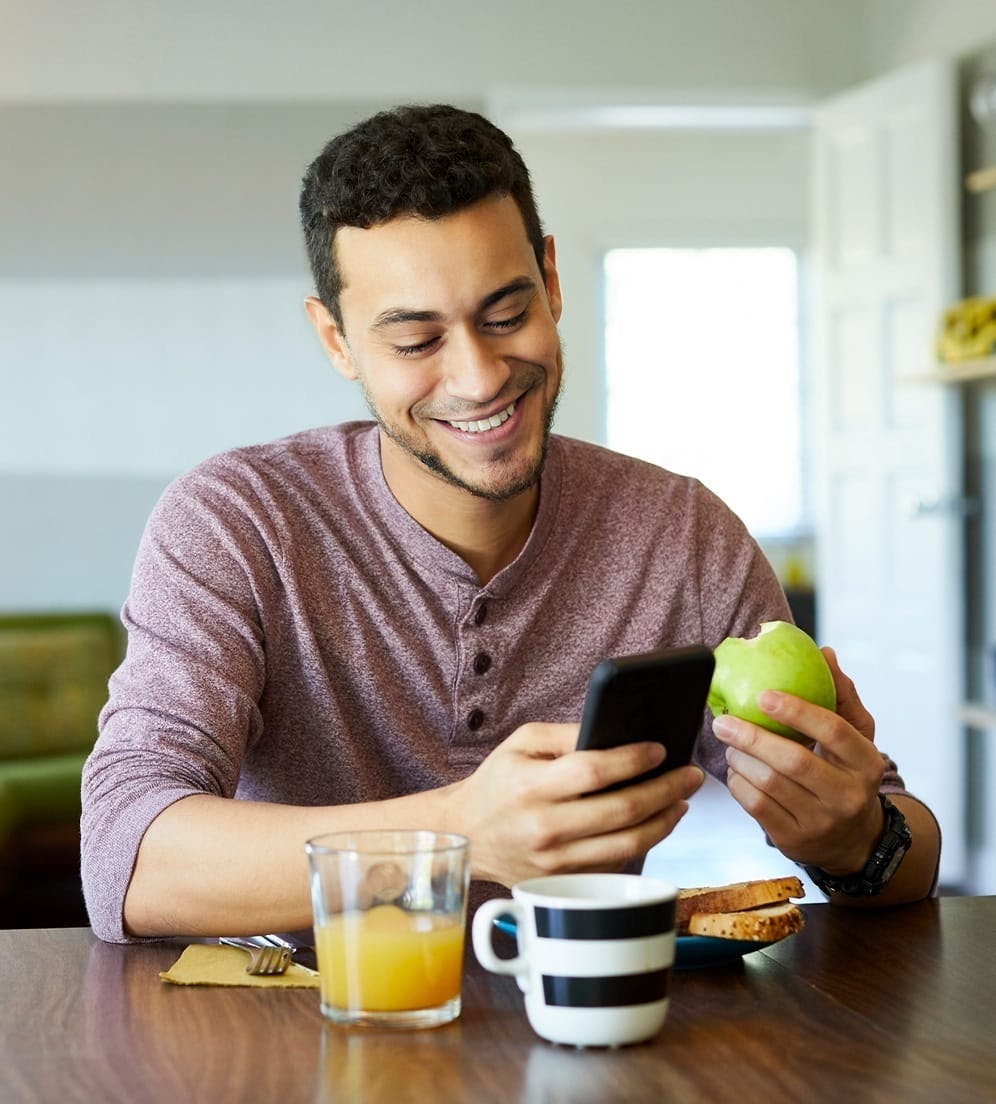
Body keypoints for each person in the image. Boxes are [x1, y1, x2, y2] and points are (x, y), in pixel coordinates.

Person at [81, 104, 940, 943]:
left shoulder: (683, 535)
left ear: (552, 281)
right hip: (298, 1045)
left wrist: (853, 837)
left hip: (587, 1042)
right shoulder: (236, 522)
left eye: (506, 315)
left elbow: (905, 846)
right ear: (337, 341)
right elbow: (126, 857)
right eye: (416, 341)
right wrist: (455, 832)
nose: (480, 376)